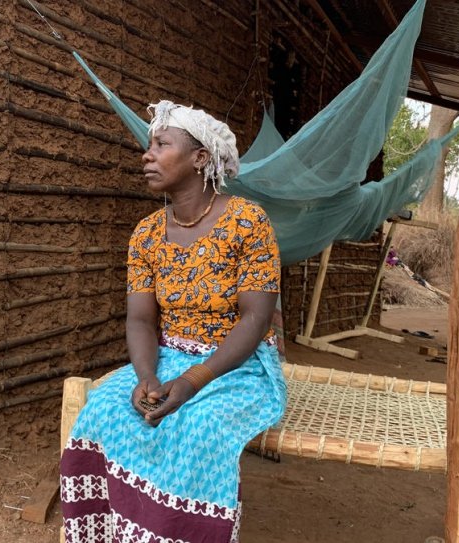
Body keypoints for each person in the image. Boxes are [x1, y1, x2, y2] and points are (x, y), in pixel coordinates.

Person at [60, 101, 287, 543]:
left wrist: (191, 382)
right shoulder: (146, 233)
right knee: (105, 410)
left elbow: (255, 320)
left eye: (162, 144)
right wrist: (147, 377)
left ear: (200, 158)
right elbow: (141, 320)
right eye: (149, 145)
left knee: (200, 427)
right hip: (167, 355)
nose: (147, 155)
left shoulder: (248, 223)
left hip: (236, 364)